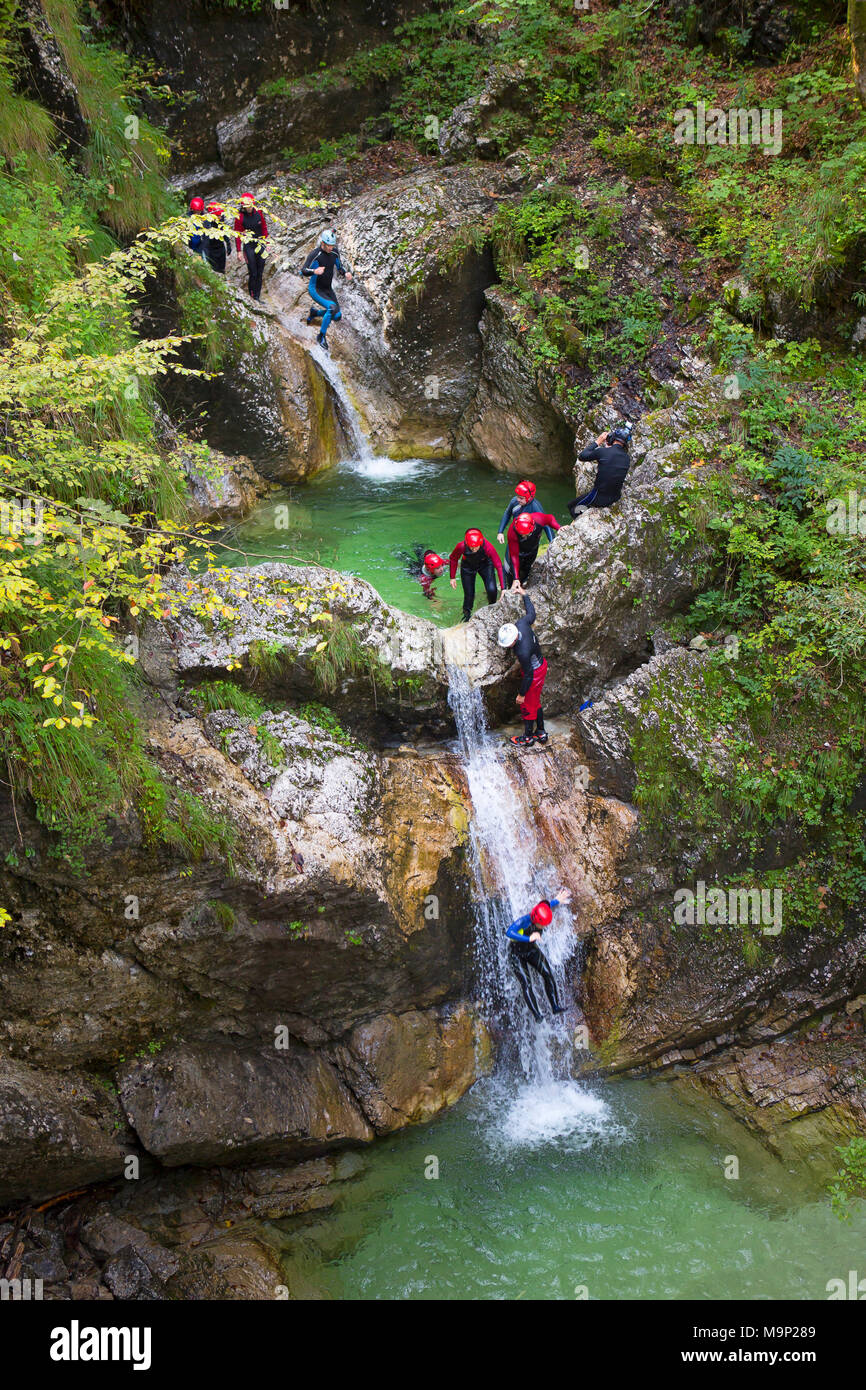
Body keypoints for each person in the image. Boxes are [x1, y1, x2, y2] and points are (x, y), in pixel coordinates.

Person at [505, 889, 572, 1021]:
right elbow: (509, 932)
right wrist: (528, 938)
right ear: (536, 921)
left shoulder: (540, 912)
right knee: (527, 983)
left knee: (548, 974)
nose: (544, 926)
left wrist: (557, 900)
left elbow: (546, 906)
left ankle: (555, 1006)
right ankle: (537, 1015)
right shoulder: (524, 921)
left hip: (531, 950)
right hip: (516, 954)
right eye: (543, 924)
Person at [497, 584, 547, 746]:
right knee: (536, 702)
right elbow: (531, 613)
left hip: (535, 672)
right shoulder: (522, 624)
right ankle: (540, 731)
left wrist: (521, 694)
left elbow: (529, 674)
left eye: (508, 644)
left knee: (527, 704)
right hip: (542, 665)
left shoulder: (522, 651)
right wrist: (524, 595)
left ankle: (527, 737)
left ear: (513, 640)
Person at [301, 229, 353, 352]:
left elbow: (339, 268)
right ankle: (321, 336)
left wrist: (345, 273)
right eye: (328, 245)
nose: (331, 248)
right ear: (323, 243)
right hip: (315, 289)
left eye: (332, 245)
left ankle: (315, 313)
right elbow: (303, 270)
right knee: (332, 308)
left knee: (337, 316)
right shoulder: (315, 254)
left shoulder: (334, 253)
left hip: (327, 289)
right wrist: (314, 271)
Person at [568, 426, 632, 517]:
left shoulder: (603, 452)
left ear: (612, 439)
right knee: (573, 503)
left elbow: (582, 456)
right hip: (614, 497)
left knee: (573, 509)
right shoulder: (627, 458)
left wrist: (598, 441)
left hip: (599, 497)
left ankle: (583, 520)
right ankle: (588, 509)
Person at [449, 528, 504, 622]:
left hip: (485, 564)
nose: (474, 549)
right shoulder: (461, 546)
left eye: (476, 547)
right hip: (467, 567)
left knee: (492, 590)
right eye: (471, 547)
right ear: (466, 543)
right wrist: (452, 577)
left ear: (481, 542)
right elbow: (453, 558)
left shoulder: (488, 547)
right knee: (469, 595)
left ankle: (491, 608)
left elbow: (498, 565)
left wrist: (503, 588)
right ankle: (466, 617)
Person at [504, 509, 560, 588]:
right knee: (511, 573)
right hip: (518, 551)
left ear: (532, 528)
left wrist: (559, 528)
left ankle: (522, 585)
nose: (523, 536)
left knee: (526, 570)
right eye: (521, 534)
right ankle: (511, 587)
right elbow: (514, 556)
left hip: (532, 550)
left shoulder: (538, 519)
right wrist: (515, 578)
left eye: (525, 534)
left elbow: (550, 519)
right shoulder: (512, 532)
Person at [234, 193, 269, 301]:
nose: (248, 208)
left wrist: (267, 243)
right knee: (253, 272)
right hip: (249, 246)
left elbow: (263, 227)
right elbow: (238, 235)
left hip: (260, 244)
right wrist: (239, 251)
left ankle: (257, 296)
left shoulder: (259, 212)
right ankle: (252, 296)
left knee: (260, 272)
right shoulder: (239, 217)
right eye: (246, 207)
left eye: (249, 206)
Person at [497, 480, 554, 545]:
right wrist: (500, 532)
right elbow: (507, 514)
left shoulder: (535, 507)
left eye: (521, 498)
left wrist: (552, 543)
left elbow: (546, 525)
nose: (518, 499)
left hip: (530, 539)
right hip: (515, 536)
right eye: (517, 496)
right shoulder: (514, 501)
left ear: (530, 498)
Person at [202, 202, 232, 274]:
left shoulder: (221, 219)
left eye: (220, 215)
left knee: (222, 269)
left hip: (220, 247)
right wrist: (206, 257)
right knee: (214, 270)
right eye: (218, 216)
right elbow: (206, 243)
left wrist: (228, 244)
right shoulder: (207, 223)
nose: (220, 217)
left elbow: (224, 230)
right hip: (211, 250)